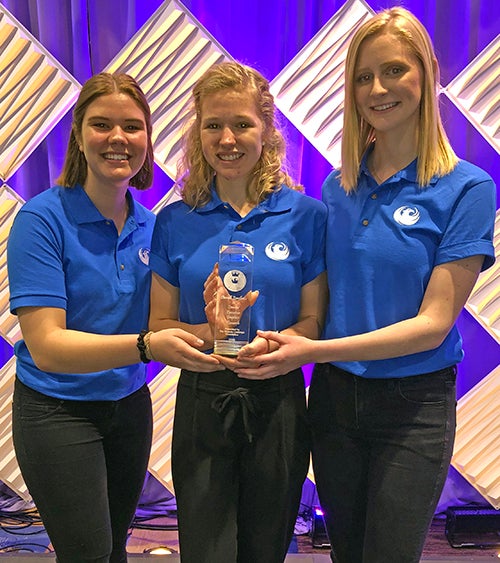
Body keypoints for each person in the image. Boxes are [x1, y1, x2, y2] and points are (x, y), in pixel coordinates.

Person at [229, 7, 497, 563]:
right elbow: (317, 302)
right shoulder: (335, 189)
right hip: (333, 402)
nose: (378, 88)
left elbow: (432, 326)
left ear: (426, 75)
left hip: (414, 404)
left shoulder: (467, 188)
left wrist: (313, 350)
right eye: (363, 76)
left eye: (394, 70)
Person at [7, 72, 221, 563]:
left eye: (132, 126)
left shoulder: (155, 225)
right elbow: (48, 346)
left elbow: (162, 327)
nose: (118, 139)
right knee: (88, 552)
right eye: (102, 125)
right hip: (56, 410)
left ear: (147, 137)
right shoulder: (43, 219)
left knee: (114, 549)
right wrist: (146, 346)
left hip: (128, 407)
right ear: (79, 135)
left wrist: (217, 329)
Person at [148, 61, 327, 563]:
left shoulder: (307, 215)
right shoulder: (174, 221)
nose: (228, 138)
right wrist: (209, 330)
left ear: (267, 131)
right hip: (204, 398)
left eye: (242, 124)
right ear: (197, 131)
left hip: (280, 401)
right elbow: (158, 325)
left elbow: (313, 321)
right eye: (213, 125)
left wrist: (275, 349)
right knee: (205, 551)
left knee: (265, 549)